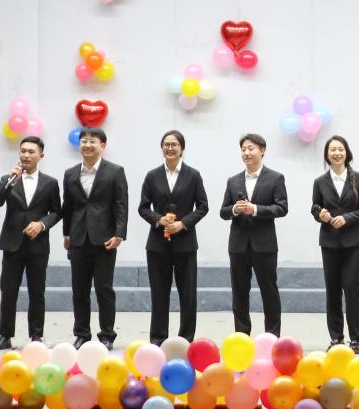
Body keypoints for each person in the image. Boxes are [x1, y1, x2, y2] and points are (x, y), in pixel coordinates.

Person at [0, 136, 62, 350]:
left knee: (37, 291)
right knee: (8, 290)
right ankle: (5, 335)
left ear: (41, 156)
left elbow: (57, 211)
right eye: (23, 151)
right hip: (12, 243)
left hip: (38, 245)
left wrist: (42, 224)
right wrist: (9, 182)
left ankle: (36, 335)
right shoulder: (8, 179)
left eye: (31, 152)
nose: (26, 155)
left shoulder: (50, 183)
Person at [138, 130, 209, 346]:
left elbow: (203, 207)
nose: (170, 148)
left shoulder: (193, 175)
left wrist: (183, 223)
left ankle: (185, 339)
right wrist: (159, 220)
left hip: (185, 244)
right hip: (157, 245)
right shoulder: (152, 175)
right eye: (166, 144)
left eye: (174, 144)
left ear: (182, 148)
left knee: (188, 294)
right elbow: (143, 208)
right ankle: (158, 339)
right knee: (159, 293)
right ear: (162, 148)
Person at [61, 127, 128, 350]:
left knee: (104, 289)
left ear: (103, 145)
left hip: (104, 239)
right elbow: (68, 207)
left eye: (93, 141)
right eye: (84, 141)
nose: (88, 145)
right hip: (78, 238)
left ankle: (107, 334)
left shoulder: (115, 171)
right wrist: (66, 234)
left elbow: (121, 205)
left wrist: (119, 234)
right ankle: (81, 334)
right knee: (79, 290)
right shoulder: (70, 173)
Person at [219, 133, 288, 337]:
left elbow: (282, 208)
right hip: (238, 245)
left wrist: (255, 209)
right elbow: (223, 211)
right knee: (239, 293)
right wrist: (235, 209)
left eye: (251, 148)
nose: (246, 153)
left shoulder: (275, 178)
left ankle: (272, 337)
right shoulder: (233, 181)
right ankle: (242, 337)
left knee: (269, 292)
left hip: (264, 245)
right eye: (243, 149)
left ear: (262, 150)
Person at [310, 135, 359, 353]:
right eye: (332, 150)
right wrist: (321, 214)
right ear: (327, 154)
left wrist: (347, 218)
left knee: (352, 289)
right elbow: (314, 207)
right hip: (329, 242)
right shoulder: (320, 182)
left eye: (340, 149)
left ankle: (356, 338)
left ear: (347, 153)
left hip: (353, 242)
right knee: (333, 290)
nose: (337, 153)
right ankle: (336, 337)